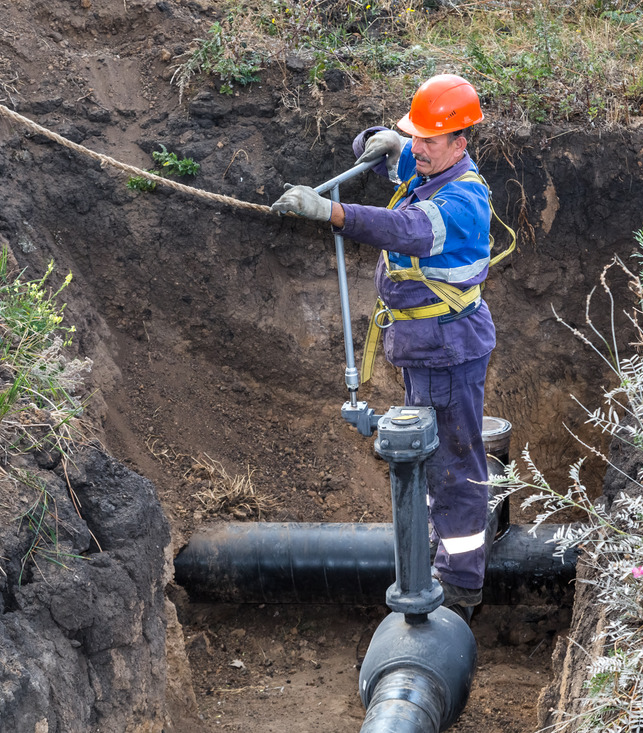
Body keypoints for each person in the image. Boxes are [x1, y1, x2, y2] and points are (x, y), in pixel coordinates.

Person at [271, 74, 499, 614]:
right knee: (428, 455)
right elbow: (367, 148)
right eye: (415, 138)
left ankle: (461, 585)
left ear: (459, 143)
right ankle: (429, 553)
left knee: (454, 465)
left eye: (428, 140)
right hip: (426, 347)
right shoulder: (428, 165)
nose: (417, 150)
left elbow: (404, 230)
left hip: (448, 351)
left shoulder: (461, 200)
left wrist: (331, 212)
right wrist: (385, 141)